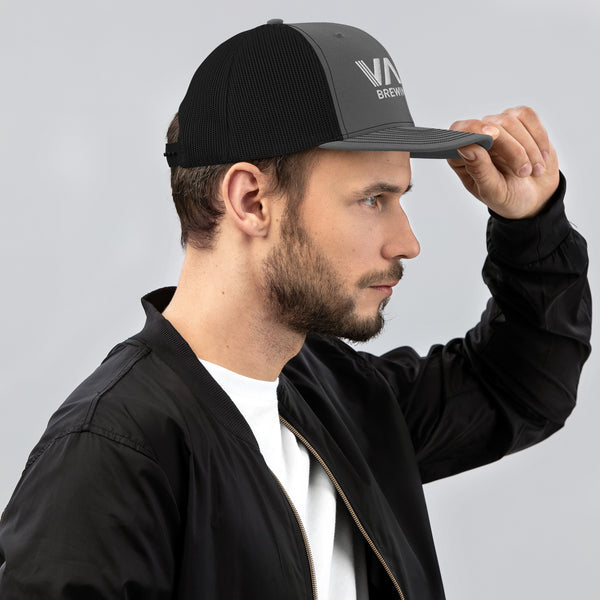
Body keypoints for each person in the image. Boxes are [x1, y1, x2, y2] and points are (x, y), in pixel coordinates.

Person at [0, 19, 591, 600]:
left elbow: (520, 388)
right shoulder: (113, 453)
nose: (407, 242)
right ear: (251, 201)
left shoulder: (339, 399)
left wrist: (530, 225)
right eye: (372, 199)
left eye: (398, 199)